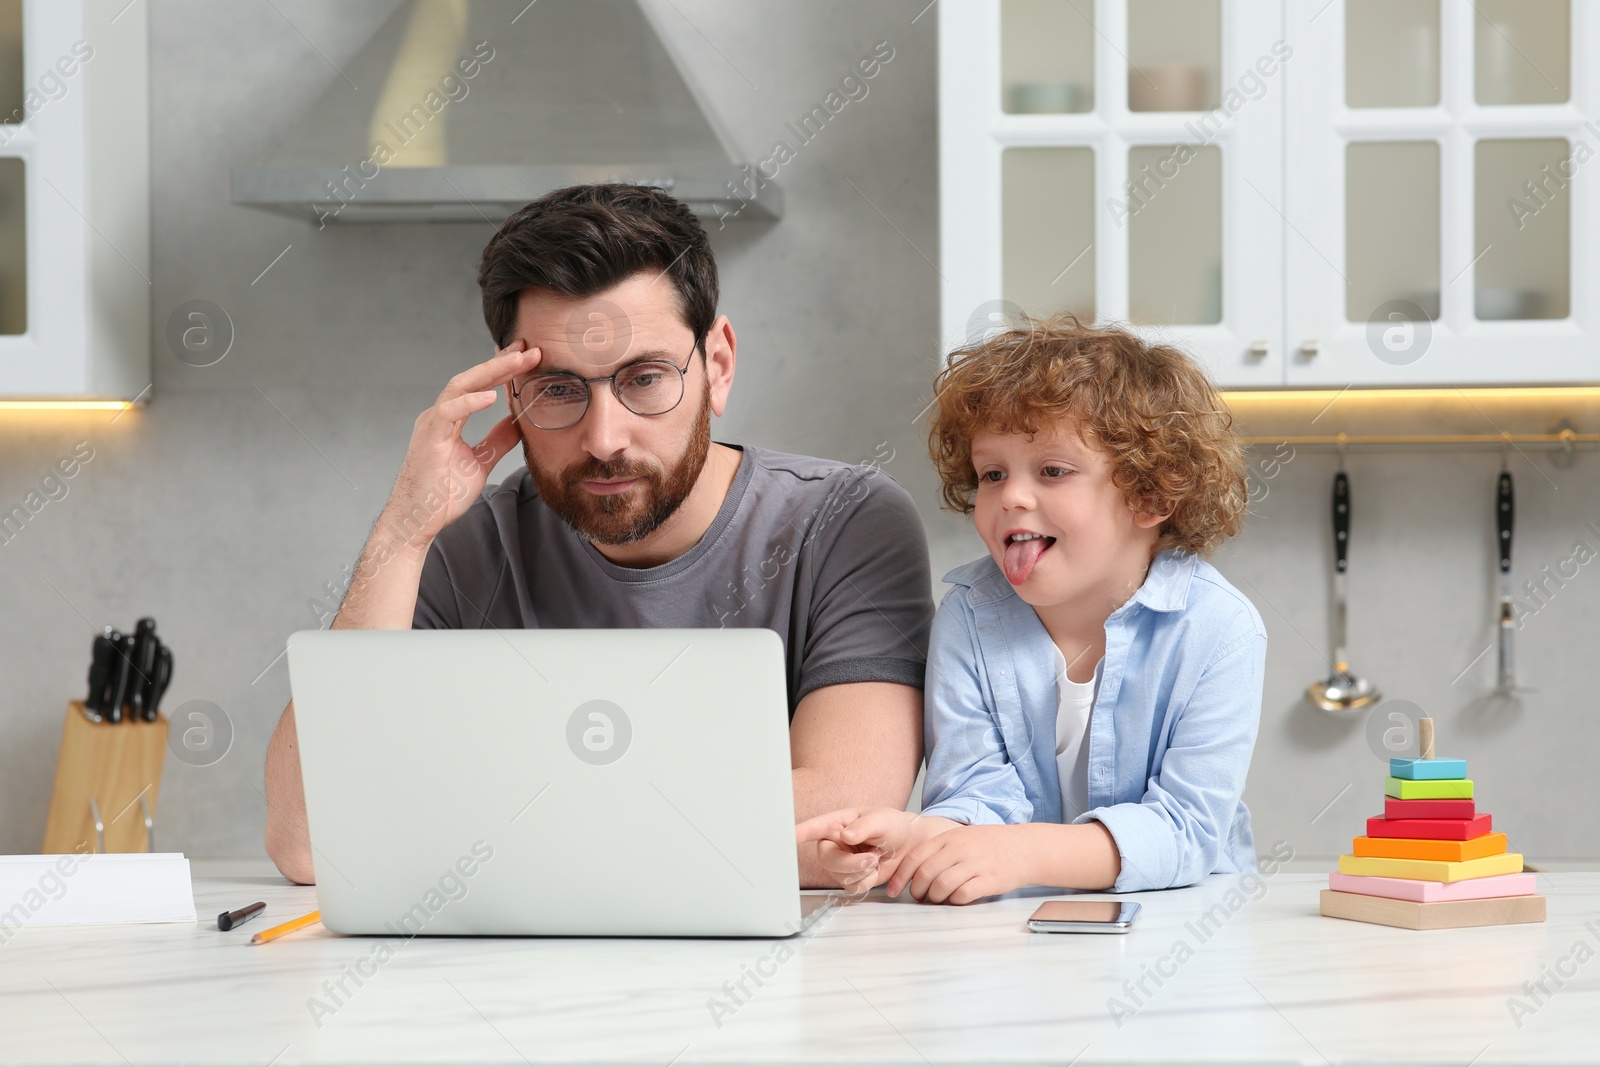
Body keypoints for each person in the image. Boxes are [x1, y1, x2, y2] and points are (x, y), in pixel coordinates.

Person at [265, 184, 934, 887]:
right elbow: (310, 841)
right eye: (558, 389)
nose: (604, 438)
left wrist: (470, 831)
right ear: (512, 392)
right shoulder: (464, 544)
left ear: (720, 365)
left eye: (644, 378)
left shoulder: (848, 523)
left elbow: (849, 814)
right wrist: (404, 531)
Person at [798, 315, 1266, 903]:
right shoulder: (968, 617)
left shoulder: (1220, 629)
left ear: (1151, 494)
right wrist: (918, 836)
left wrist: (1021, 852)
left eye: (1053, 471)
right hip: (1020, 928)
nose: (1011, 496)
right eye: (992, 473)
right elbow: (976, 793)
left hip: (1184, 921)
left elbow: (1187, 828)